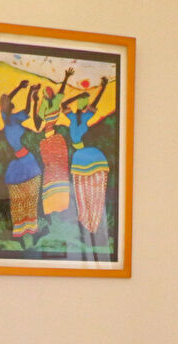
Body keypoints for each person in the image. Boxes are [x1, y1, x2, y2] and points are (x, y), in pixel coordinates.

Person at [65, 76, 112, 237]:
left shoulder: (85, 117)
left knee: (92, 189)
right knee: (80, 191)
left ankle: (93, 224)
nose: (80, 107)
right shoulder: (72, 117)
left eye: (82, 105)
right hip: (80, 155)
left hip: (87, 155)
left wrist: (103, 88)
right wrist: (77, 96)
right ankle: (85, 223)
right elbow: (64, 105)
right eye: (80, 104)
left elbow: (96, 102)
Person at [0, 79, 42, 240]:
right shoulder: (6, 118)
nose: (10, 104)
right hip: (21, 161)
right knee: (19, 198)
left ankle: (31, 229)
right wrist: (18, 88)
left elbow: (28, 109)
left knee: (31, 194)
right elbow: (6, 100)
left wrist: (30, 92)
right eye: (9, 104)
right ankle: (20, 231)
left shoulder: (16, 118)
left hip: (27, 158)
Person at [35, 67, 75, 218]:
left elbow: (61, 91)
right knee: (51, 170)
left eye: (50, 92)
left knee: (61, 169)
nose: (50, 94)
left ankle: (61, 202)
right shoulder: (45, 105)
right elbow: (38, 122)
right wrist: (35, 101)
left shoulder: (56, 101)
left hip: (54, 138)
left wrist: (66, 77)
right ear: (46, 96)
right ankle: (52, 204)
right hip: (49, 138)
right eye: (48, 93)